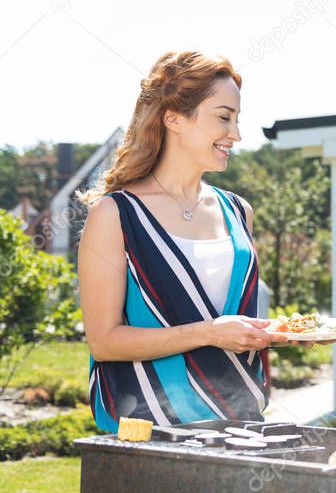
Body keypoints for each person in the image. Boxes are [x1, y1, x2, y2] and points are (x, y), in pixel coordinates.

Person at [78, 50, 290, 431]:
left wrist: (276, 334)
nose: (236, 134)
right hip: (148, 430)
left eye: (237, 120)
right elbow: (104, 341)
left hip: (242, 427)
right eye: (224, 117)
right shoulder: (114, 216)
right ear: (173, 118)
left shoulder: (238, 211)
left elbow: (232, 320)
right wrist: (210, 333)